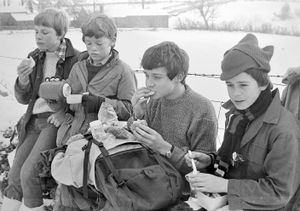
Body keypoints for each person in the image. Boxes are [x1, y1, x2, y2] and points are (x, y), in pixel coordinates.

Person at [185, 33, 300, 211]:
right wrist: (209, 161)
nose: (235, 93)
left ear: (262, 84)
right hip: (227, 203)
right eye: (230, 85)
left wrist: (225, 186)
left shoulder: (283, 130)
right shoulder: (238, 116)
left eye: (243, 85)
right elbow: (232, 159)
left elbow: (279, 193)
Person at [2, 8, 79, 211]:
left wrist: (64, 114)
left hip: (53, 122)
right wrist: (23, 79)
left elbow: (79, 97)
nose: (38, 37)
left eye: (45, 32)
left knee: (29, 173)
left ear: (61, 34)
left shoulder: (76, 60)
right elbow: (23, 98)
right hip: (32, 120)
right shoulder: (35, 57)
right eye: (36, 31)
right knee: (15, 174)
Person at [131, 41, 217, 175]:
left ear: (179, 76)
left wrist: (165, 148)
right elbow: (142, 147)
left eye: (157, 77)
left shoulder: (202, 110)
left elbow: (203, 169)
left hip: (181, 186)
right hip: (150, 174)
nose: (148, 83)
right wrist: (138, 116)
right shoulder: (155, 100)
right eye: (147, 75)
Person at [56, 13, 136, 146]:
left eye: (99, 44)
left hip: (102, 141)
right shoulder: (77, 67)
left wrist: (101, 103)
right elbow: (67, 100)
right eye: (88, 43)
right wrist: (57, 97)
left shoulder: (123, 71)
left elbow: (130, 110)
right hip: (70, 135)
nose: (93, 48)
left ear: (113, 40)